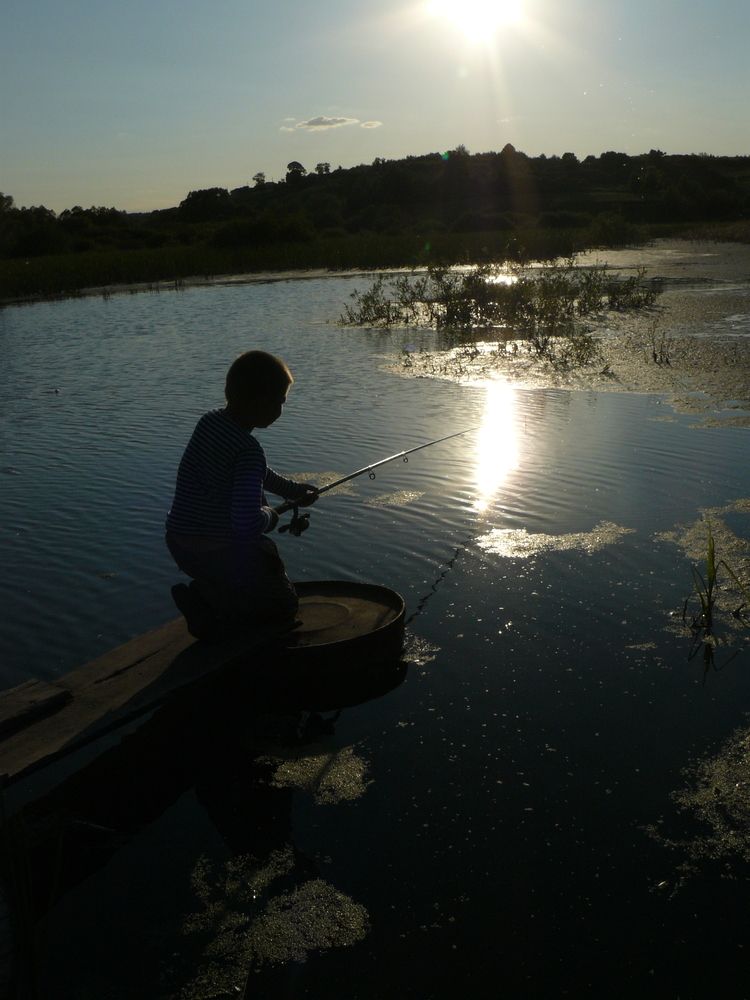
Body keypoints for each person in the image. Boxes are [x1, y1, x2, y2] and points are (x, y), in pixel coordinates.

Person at [165, 350, 318, 640]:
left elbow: (256, 472)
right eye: (281, 401)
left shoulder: (209, 423)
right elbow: (246, 524)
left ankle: (211, 592)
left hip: (180, 543)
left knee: (252, 567)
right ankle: (210, 604)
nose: (281, 409)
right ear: (262, 403)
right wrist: (271, 515)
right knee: (284, 605)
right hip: (215, 552)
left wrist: (293, 491)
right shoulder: (248, 451)